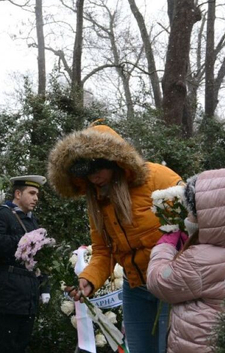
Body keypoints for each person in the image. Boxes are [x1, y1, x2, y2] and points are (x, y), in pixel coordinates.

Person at [47, 124, 183, 353]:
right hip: (135, 288)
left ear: (115, 160)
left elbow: (190, 225)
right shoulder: (97, 201)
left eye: (98, 167)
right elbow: (103, 251)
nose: (94, 177)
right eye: (87, 172)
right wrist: (88, 279)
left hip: (170, 283)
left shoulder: (158, 177)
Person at [146, 168, 225, 352]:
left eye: (192, 212)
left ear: (212, 217)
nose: (188, 217)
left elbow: (160, 281)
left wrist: (164, 247)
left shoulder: (198, 261)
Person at [0, 175, 51, 353]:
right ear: (18, 194)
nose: (36, 198)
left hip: (28, 296)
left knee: (20, 347)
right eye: (31, 193)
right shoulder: (1, 214)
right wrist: (23, 241)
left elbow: (39, 257)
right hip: (7, 294)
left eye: (37, 194)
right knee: (3, 347)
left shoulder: (32, 221)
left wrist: (44, 286)